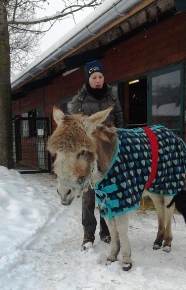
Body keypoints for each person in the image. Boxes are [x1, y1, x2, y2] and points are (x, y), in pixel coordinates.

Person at [67, 60, 124, 250]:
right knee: (89, 193)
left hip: (108, 152)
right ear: (88, 79)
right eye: (94, 77)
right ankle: (88, 233)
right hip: (88, 153)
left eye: (100, 77)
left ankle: (106, 230)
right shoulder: (79, 101)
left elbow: (120, 121)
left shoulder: (112, 97)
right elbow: (74, 127)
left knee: (107, 191)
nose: (98, 80)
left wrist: (116, 135)